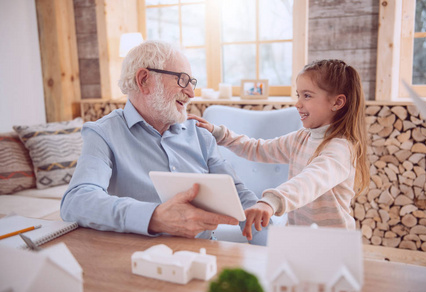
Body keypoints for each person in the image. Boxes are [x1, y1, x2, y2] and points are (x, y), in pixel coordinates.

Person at [60, 40, 268, 245]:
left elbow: (239, 195)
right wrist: (155, 217)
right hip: (139, 258)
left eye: (192, 82)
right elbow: (76, 201)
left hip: (204, 256)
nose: (191, 93)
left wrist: (272, 245)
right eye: (182, 80)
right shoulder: (103, 133)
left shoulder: (200, 135)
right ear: (144, 80)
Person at [189, 59, 369, 239]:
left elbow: (308, 182)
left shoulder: (341, 149)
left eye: (307, 95)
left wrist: (271, 201)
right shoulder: (302, 137)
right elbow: (258, 149)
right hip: (299, 237)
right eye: (298, 95)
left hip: (332, 244)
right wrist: (219, 133)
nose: (298, 103)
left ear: (337, 103)